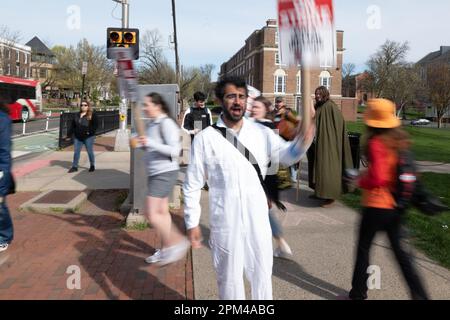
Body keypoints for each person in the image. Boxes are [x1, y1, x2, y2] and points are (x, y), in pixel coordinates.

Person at [183, 76, 314, 300]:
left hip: (257, 220)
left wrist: (305, 138)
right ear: (220, 99)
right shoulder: (206, 139)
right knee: (229, 280)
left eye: (241, 97)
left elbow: (289, 155)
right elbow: (192, 184)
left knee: (262, 276)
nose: (237, 102)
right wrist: (192, 222)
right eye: (231, 96)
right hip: (225, 220)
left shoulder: (261, 133)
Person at [347, 99, 428, 300]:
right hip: (395, 205)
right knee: (402, 256)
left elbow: (379, 177)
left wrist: (359, 180)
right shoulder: (399, 140)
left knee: (363, 249)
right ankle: (420, 295)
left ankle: (358, 293)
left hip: (376, 205)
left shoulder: (376, 142)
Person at [137, 93, 190, 266]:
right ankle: (167, 249)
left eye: (147, 105)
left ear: (157, 106)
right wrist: (142, 144)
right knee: (162, 212)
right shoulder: (152, 124)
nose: (145, 108)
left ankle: (178, 242)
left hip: (165, 173)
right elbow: (153, 148)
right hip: (155, 173)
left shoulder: (166, 123)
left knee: (150, 212)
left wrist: (150, 143)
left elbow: (175, 151)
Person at [250, 96, 293, 259]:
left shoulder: (267, 128)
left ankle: (280, 242)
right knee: (263, 211)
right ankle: (280, 242)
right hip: (260, 175)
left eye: (257, 107)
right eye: (252, 106)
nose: (253, 109)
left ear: (265, 109)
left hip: (264, 176)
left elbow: (279, 152)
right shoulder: (251, 125)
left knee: (263, 211)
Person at [307, 86, 353, 207]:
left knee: (327, 168)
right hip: (316, 142)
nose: (317, 95)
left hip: (328, 143)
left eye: (319, 93)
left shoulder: (330, 106)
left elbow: (338, 125)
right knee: (316, 167)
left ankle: (330, 196)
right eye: (316, 93)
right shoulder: (320, 106)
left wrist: (332, 141)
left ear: (325, 94)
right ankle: (319, 192)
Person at [273, 97, 300, 184]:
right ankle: (282, 176)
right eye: (277, 102)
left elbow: (296, 122)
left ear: (283, 103)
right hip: (278, 138)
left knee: (290, 157)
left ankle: (293, 176)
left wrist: (295, 132)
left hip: (288, 137)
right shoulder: (274, 113)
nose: (278, 104)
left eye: (280, 102)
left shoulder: (287, 112)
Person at [68, 100, 98, 173]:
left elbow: (95, 125)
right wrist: (68, 135)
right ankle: (75, 166)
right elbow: (73, 126)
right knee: (76, 152)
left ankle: (92, 165)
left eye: (85, 105)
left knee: (90, 151)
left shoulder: (92, 115)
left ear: (88, 106)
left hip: (88, 137)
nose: (83, 106)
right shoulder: (77, 115)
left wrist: (89, 132)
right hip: (78, 137)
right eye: (81, 105)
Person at [0, 96, 13, 253]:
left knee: (0, 206)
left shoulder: (3, 119)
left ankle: (4, 236)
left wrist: (3, 174)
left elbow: (4, 151)